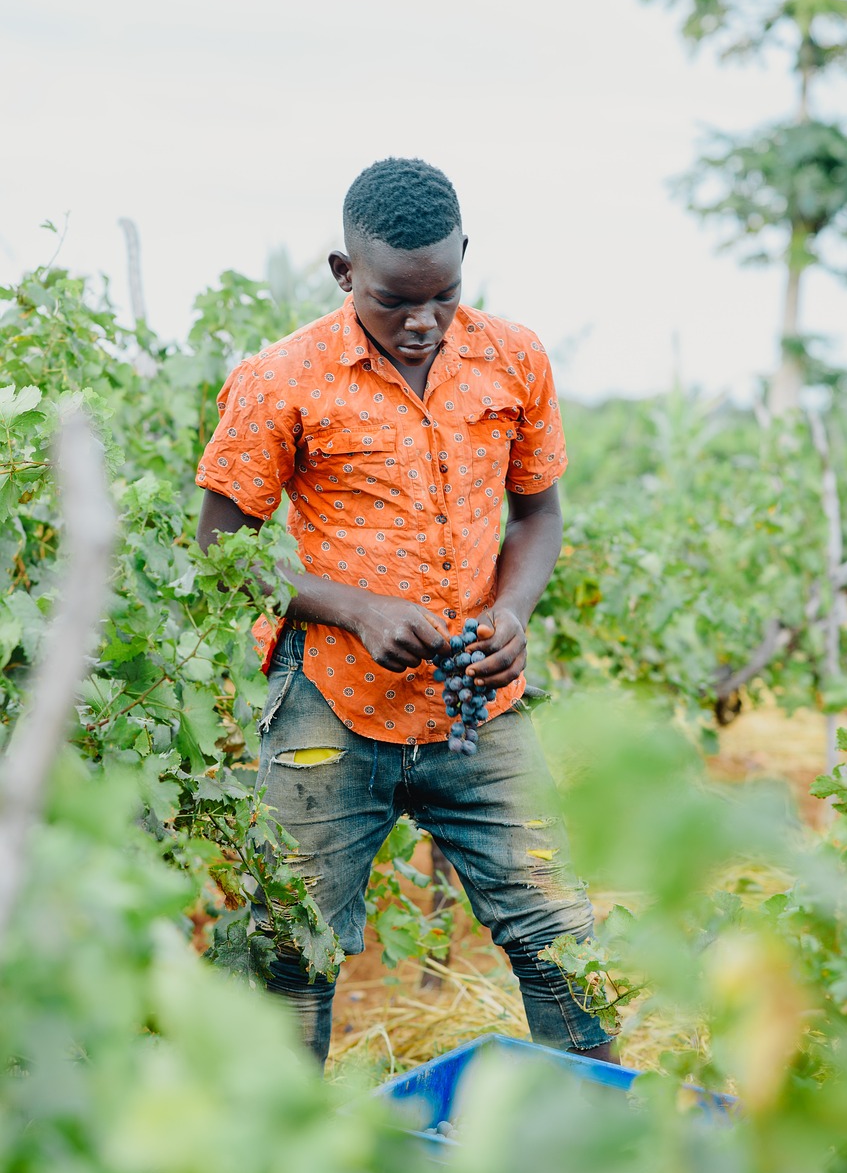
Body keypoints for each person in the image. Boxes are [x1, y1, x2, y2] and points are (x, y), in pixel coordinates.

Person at [195, 157, 614, 1068]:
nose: (423, 322)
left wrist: (511, 613)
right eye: (394, 301)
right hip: (330, 708)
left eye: (446, 295)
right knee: (291, 954)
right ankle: (282, 1150)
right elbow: (220, 549)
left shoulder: (514, 358)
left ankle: (602, 1138)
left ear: (464, 257)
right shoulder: (280, 380)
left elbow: (539, 514)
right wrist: (353, 609)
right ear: (345, 275)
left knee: (563, 945)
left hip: (476, 703)